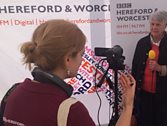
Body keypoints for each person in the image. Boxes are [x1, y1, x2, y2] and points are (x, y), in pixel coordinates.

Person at [1, 19, 136, 126]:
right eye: (81, 54)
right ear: (67, 59)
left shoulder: (13, 93)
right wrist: (128, 106)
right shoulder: (70, 110)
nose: (82, 60)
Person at [131, 10, 167, 126]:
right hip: (144, 95)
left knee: (161, 122)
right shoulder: (142, 43)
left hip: (164, 95)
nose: (154, 27)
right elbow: (134, 69)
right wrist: (133, 91)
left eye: (158, 24)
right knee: (144, 122)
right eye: (152, 24)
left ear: (165, 25)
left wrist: (160, 68)